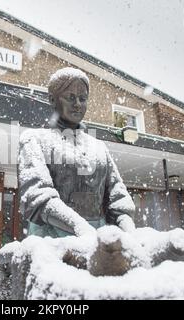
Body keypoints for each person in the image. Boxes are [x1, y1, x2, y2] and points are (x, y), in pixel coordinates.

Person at [18, 67, 136, 238]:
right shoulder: (34, 139)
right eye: (70, 97)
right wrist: (80, 227)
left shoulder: (99, 147)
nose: (78, 104)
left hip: (100, 243)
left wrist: (130, 234)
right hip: (52, 243)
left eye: (83, 98)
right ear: (53, 100)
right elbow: (37, 197)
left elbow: (118, 198)